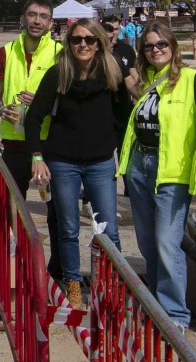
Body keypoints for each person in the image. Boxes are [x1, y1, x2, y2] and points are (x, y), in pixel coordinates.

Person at [25, 19, 132, 311]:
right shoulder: (59, 73)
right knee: (69, 227)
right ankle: (72, 283)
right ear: (69, 43)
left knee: (108, 229)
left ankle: (112, 285)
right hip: (63, 162)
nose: (83, 44)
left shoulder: (112, 72)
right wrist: (37, 156)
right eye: (76, 39)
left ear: (99, 42)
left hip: (100, 162)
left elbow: (124, 117)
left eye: (89, 39)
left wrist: (119, 151)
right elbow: (34, 117)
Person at [118, 21, 196, 328]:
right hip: (140, 166)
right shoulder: (145, 80)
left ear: (173, 46)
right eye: (149, 46)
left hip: (171, 170)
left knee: (167, 243)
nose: (155, 50)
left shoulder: (193, 79)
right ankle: (157, 305)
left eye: (161, 44)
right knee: (147, 243)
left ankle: (175, 315)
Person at [0, 0, 60, 197]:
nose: (37, 21)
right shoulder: (6, 52)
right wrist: (1, 109)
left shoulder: (61, 53)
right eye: (32, 14)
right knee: (12, 205)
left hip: (49, 143)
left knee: (54, 206)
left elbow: (70, 104)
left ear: (50, 23)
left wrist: (43, 103)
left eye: (43, 16)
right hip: (14, 143)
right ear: (22, 19)